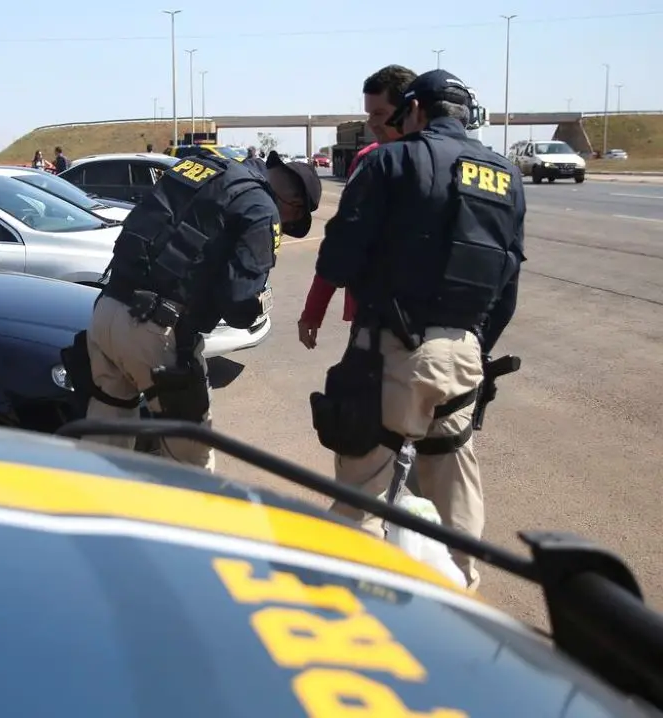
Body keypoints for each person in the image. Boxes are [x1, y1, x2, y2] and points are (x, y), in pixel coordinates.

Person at [312, 69, 526, 589]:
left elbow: (338, 257)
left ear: (415, 111)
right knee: (452, 481)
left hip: (394, 351)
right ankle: (460, 596)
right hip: (464, 354)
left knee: (364, 484)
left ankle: (352, 601)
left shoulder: (390, 161)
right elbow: (509, 280)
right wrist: (474, 345)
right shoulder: (506, 175)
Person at [76, 148, 321, 471]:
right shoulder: (262, 210)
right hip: (156, 334)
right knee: (191, 459)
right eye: (293, 220)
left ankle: (92, 514)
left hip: (107, 310)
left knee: (105, 444)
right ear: (294, 205)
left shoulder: (205, 167)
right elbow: (239, 303)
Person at [299, 65, 416, 350]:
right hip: (371, 316)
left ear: (409, 111)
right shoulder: (368, 161)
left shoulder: (441, 166)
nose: (372, 124)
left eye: (380, 114)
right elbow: (342, 242)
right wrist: (314, 311)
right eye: (369, 114)